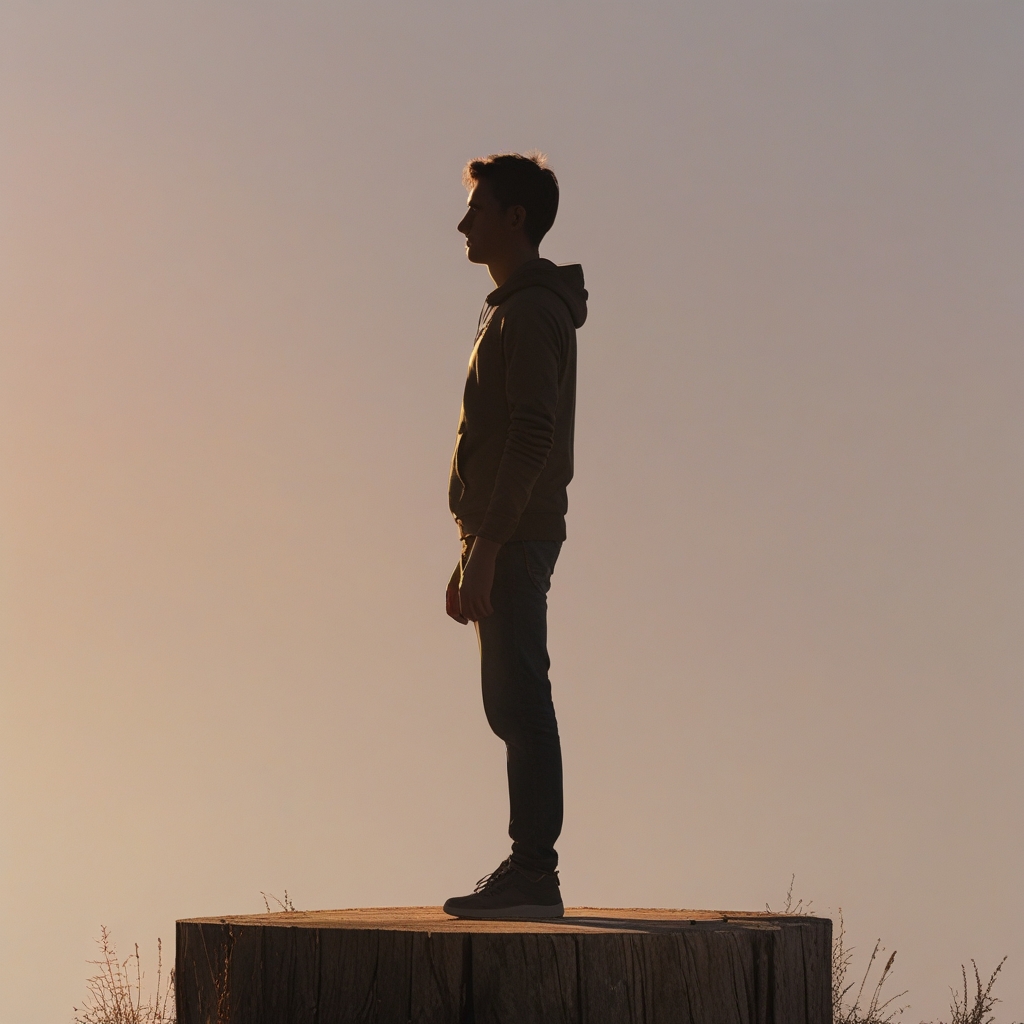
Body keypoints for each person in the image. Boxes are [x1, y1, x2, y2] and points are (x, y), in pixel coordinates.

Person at [442, 153, 587, 920]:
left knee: (520, 699)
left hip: (519, 535)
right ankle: (530, 868)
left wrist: (491, 545)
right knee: (508, 701)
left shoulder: (531, 311)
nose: (464, 221)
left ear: (515, 219)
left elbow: (531, 436)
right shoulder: (512, 307)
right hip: (501, 534)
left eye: (477, 207)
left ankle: (534, 872)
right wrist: (471, 545)